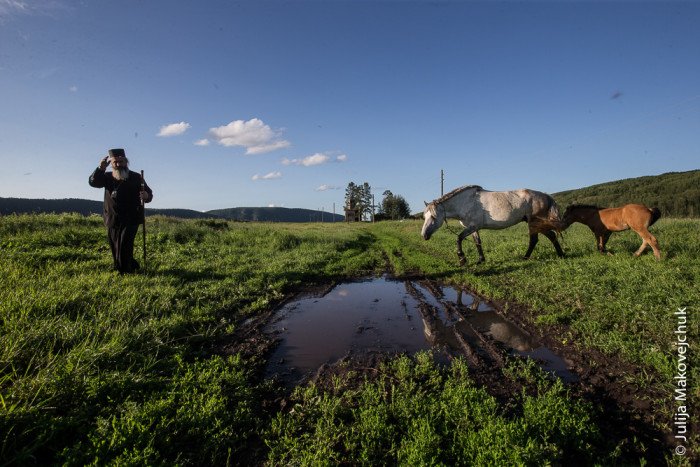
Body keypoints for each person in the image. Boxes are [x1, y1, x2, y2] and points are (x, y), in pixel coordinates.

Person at [89, 148, 153, 273]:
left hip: (131, 217)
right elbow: (93, 182)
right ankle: (126, 265)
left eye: (121, 161)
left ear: (126, 162)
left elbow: (149, 195)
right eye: (115, 162)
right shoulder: (106, 177)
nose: (118, 165)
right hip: (112, 217)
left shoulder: (136, 177)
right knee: (115, 244)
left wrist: (146, 196)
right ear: (111, 164)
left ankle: (125, 271)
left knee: (124, 244)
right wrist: (100, 168)